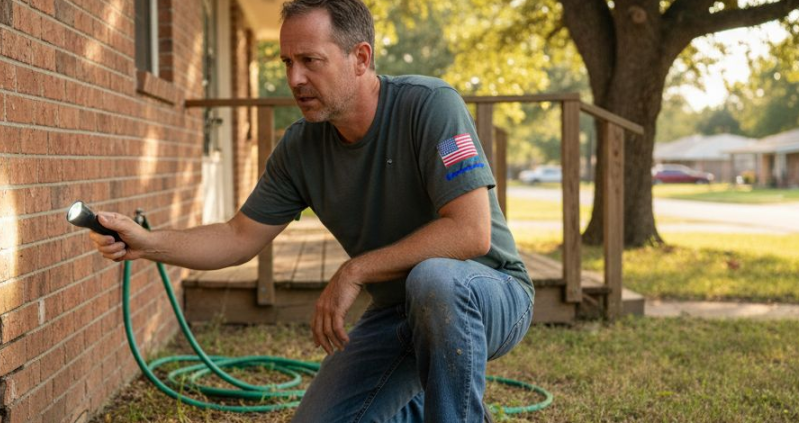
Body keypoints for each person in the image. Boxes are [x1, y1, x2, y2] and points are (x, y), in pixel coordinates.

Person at [89, 0, 534, 421]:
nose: (295, 78)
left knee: (433, 278)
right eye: (286, 63)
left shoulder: (430, 105)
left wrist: (354, 271)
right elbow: (238, 235)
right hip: (398, 314)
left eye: (310, 60)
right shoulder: (300, 148)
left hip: (488, 293)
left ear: (360, 58)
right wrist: (148, 243)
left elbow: (470, 233)